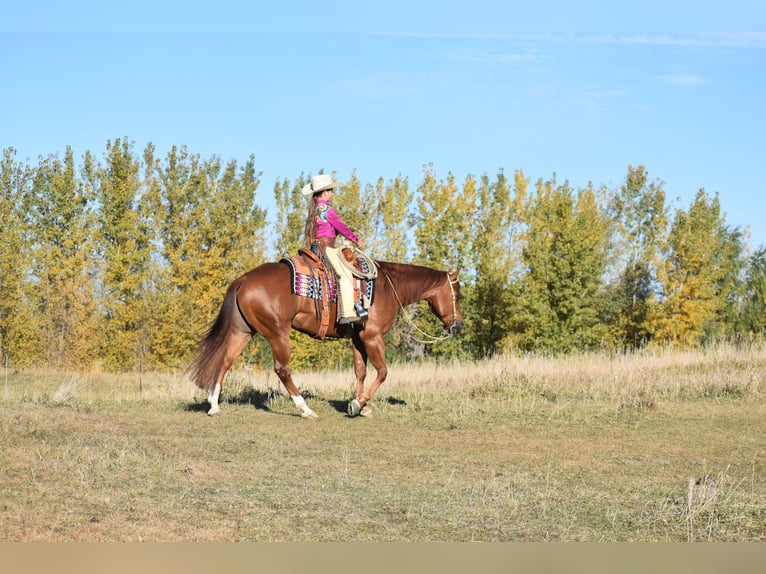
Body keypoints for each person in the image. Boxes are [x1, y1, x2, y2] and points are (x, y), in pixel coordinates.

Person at [302, 174, 367, 324]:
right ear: (324, 192)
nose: (332, 193)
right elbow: (341, 227)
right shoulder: (327, 209)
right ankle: (348, 313)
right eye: (331, 190)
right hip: (326, 248)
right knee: (344, 275)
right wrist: (356, 240)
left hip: (315, 246)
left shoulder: (314, 208)